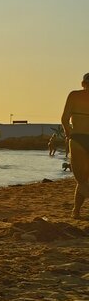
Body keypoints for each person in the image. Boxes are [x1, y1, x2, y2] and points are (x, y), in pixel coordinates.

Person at [61, 73, 89, 219]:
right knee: (83, 179)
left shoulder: (74, 95)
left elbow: (64, 119)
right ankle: (76, 211)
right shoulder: (73, 95)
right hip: (78, 138)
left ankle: (76, 211)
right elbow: (64, 120)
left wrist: (68, 133)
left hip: (77, 138)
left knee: (82, 179)